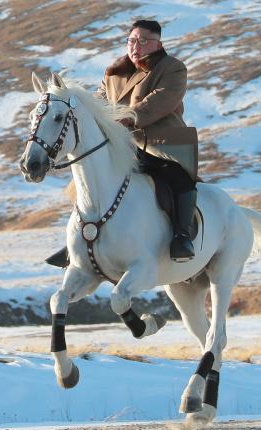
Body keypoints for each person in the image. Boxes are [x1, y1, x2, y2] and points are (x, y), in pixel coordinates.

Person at [46, 19, 197, 268]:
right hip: (123, 145)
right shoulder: (113, 72)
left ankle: (182, 237)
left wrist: (127, 117)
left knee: (179, 180)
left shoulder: (172, 69)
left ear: (157, 44)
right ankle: (79, 240)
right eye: (131, 41)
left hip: (161, 144)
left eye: (142, 41)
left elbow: (160, 101)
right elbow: (98, 103)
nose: (135, 46)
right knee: (84, 183)